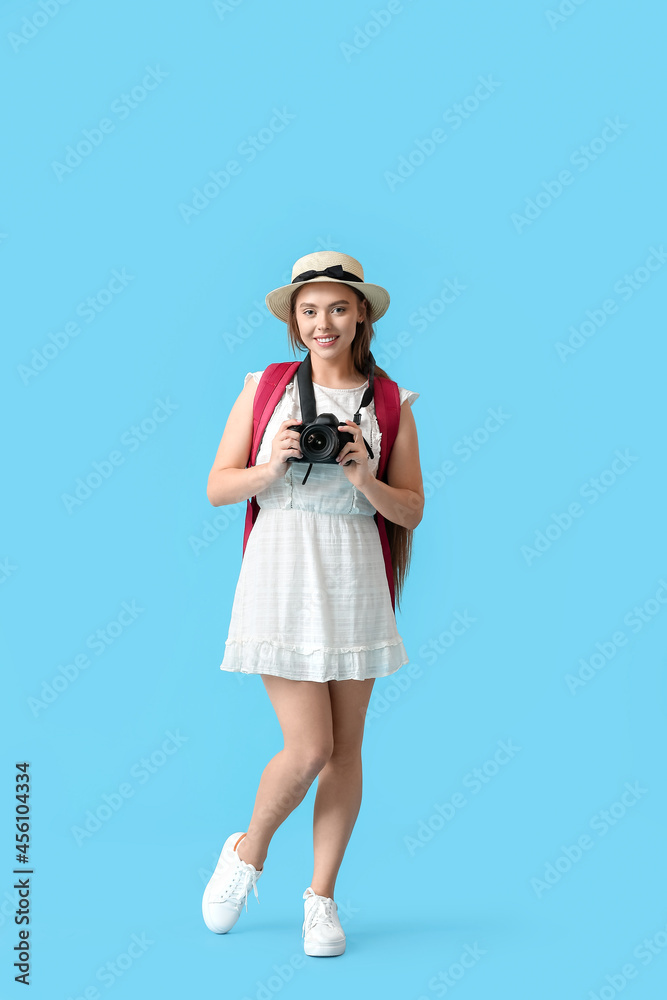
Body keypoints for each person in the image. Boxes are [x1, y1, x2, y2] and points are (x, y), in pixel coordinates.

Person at [202, 250, 424, 957]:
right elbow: (216, 487)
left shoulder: (390, 404)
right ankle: (247, 851)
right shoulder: (264, 387)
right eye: (308, 310)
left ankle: (320, 899)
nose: (322, 322)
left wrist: (362, 473)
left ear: (361, 314)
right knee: (311, 746)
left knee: (346, 750)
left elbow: (411, 511)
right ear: (293, 323)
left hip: (355, 573)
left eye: (336, 307)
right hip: (282, 573)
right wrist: (272, 466)